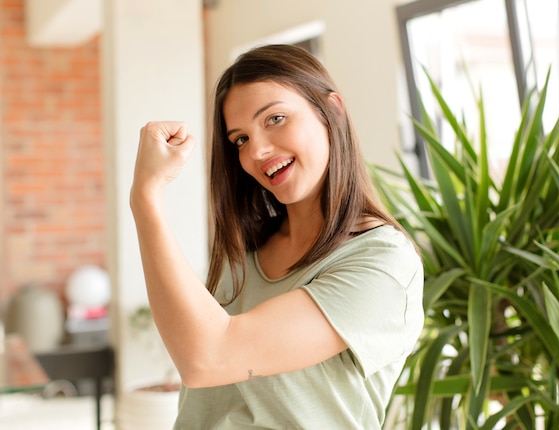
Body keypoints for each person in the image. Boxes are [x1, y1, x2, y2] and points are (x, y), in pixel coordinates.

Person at [130, 44, 424, 429]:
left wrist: (145, 195)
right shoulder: (242, 259)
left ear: (331, 110)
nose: (258, 151)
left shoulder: (383, 263)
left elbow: (207, 359)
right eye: (240, 139)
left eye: (275, 118)